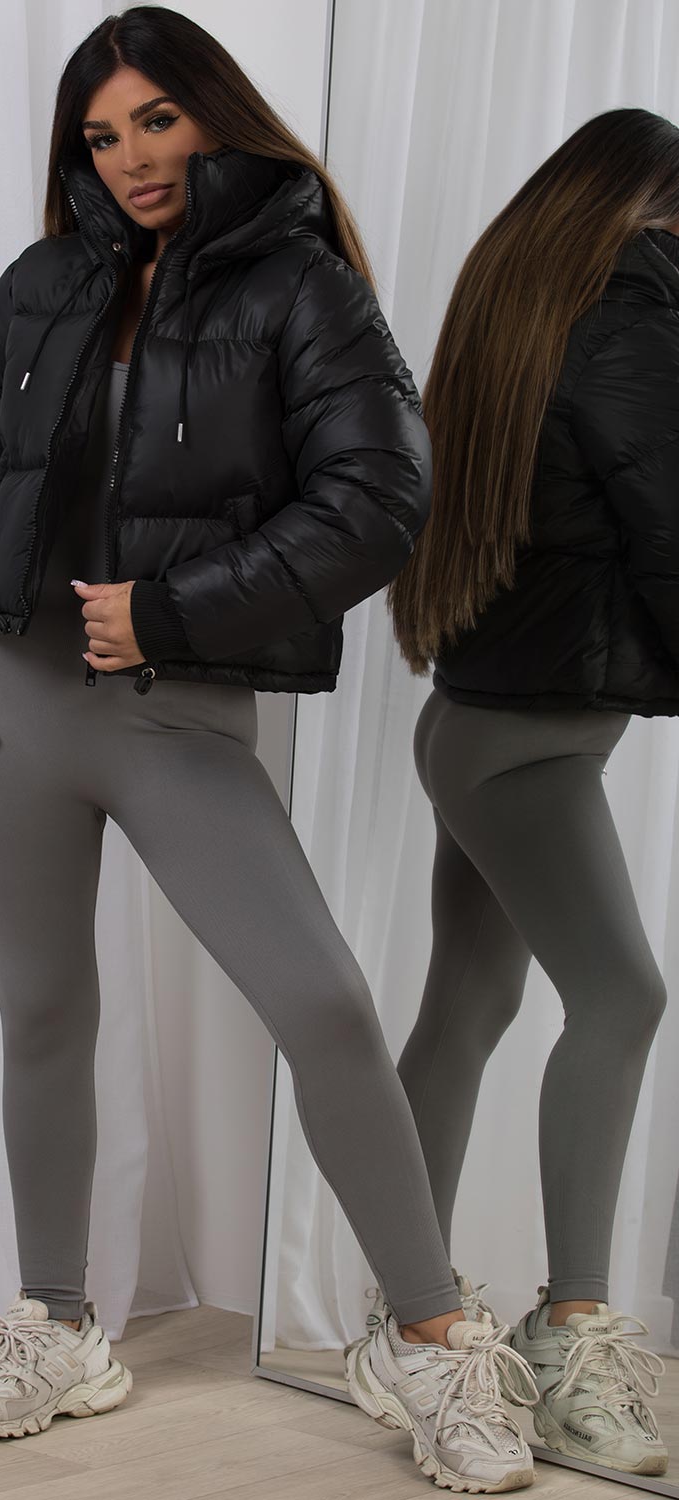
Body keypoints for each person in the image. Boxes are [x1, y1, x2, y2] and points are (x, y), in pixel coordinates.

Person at [0, 9, 540, 1491]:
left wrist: (172, 608)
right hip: (16, 701)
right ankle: (58, 1327)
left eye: (156, 121)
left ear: (213, 114)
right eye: (101, 135)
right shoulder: (43, 282)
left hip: (174, 709)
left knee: (321, 1001)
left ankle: (429, 1337)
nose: (130, 158)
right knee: (42, 1010)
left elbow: (377, 497)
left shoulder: (303, 286)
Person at [378, 107, 679, 1480]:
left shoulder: (521, 310)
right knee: (623, 996)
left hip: (484, 724)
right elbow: (669, 524)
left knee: (470, 1006)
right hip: (533, 747)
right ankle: (573, 1335)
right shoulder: (630, 315)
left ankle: (412, 1316)